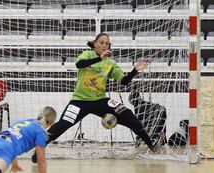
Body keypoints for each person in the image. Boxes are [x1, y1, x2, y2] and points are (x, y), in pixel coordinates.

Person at [32, 33, 165, 163]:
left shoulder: (110, 63)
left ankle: (151, 144)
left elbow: (124, 81)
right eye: (101, 42)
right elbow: (79, 64)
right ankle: (38, 149)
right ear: (95, 44)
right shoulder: (87, 54)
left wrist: (135, 70)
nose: (104, 45)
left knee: (128, 115)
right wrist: (99, 59)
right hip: (80, 101)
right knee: (62, 125)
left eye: (107, 43)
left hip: (101, 101)